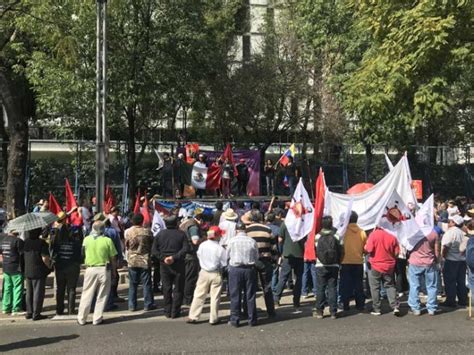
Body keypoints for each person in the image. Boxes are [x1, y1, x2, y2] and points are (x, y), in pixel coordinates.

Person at [77, 221, 117, 326]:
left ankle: (82, 318)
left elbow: (83, 253)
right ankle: (97, 318)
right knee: (102, 295)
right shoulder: (108, 240)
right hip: (104, 269)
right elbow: (113, 258)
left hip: (90, 268)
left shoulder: (86, 239)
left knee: (86, 293)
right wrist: (114, 271)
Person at [187, 226, 227, 325]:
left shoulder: (202, 245)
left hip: (204, 272)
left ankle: (193, 316)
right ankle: (213, 318)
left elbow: (199, 255)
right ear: (217, 236)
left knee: (199, 294)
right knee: (215, 297)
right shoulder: (220, 248)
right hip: (215, 273)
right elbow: (224, 263)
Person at [152, 215, 189, 318]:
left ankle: (167, 311)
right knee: (178, 288)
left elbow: (154, 250)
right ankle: (175, 311)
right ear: (176, 223)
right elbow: (186, 248)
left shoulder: (160, 234)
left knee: (166, 288)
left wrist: (163, 258)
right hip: (178, 264)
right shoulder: (181, 234)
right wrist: (174, 257)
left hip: (164, 265)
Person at [227, 221, 259, 327]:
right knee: (250, 294)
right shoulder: (252, 241)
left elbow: (227, 255)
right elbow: (256, 256)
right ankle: (252, 319)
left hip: (235, 269)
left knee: (235, 295)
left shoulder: (232, 241)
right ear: (245, 229)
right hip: (249, 269)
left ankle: (235, 320)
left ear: (236, 230)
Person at [246, 210, 277, 317]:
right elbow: (273, 247)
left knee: (250, 287)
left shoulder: (246, 230)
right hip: (265, 260)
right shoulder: (267, 229)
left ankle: (250, 312)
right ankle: (271, 311)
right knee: (267, 287)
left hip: (251, 262)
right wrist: (274, 260)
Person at [50, 212, 82, 315]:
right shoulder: (75, 242)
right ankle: (71, 310)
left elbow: (52, 251)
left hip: (60, 266)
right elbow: (79, 253)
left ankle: (59, 310)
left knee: (60, 289)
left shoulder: (55, 239)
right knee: (71, 289)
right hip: (72, 266)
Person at [365, 226, 400, 316]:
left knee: (375, 287)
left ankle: (377, 309)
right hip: (389, 265)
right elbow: (396, 253)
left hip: (375, 265)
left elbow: (369, 249)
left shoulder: (373, 235)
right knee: (390, 285)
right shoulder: (392, 236)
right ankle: (395, 306)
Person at [313, 216, 342, 319]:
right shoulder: (336, 236)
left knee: (320, 288)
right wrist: (339, 262)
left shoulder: (317, 236)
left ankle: (320, 311)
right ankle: (333, 312)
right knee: (332, 287)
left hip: (320, 265)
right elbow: (341, 251)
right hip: (334, 265)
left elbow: (315, 250)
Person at [125, 213, 155, 312]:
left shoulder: (128, 232)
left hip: (132, 260)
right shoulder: (148, 232)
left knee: (133, 284)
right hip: (145, 260)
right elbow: (152, 244)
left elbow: (127, 245)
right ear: (142, 221)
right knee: (146, 283)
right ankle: (148, 304)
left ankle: (132, 305)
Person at [407, 228, 441, 316]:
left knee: (414, 285)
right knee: (432, 286)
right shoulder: (433, 233)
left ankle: (415, 308)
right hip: (429, 262)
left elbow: (407, 246)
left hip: (415, 261)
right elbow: (437, 251)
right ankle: (431, 308)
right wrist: (437, 261)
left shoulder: (413, 232)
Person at [273, 223, 305, 312]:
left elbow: (280, 239)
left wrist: (281, 251)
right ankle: (296, 301)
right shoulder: (302, 223)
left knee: (283, 277)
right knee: (298, 278)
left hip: (287, 254)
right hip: (300, 254)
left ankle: (276, 298)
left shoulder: (285, 224)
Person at [339, 211, 367, 311]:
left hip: (345, 261)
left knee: (345, 285)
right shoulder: (362, 232)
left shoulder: (343, 231)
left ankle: (344, 304)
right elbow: (365, 248)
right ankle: (360, 304)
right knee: (358, 284)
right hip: (358, 262)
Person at [23, 228, 51, 320]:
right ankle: (36, 313)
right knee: (38, 292)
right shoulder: (41, 243)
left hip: (28, 270)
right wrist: (48, 267)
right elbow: (45, 258)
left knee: (29, 292)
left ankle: (29, 312)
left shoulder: (25, 242)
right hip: (38, 270)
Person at [441, 215, 468, 307]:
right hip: (462, 260)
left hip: (451, 260)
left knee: (450, 281)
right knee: (461, 281)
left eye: (450, 221)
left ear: (454, 223)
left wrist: (443, 257)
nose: (448, 223)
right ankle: (463, 300)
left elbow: (445, 247)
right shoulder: (463, 233)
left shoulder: (450, 233)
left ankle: (451, 301)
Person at [179, 211, 203, 305]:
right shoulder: (193, 226)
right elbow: (195, 241)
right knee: (190, 278)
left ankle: (182, 298)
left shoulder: (184, 223)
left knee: (183, 277)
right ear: (200, 219)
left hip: (183, 254)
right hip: (190, 255)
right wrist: (204, 239)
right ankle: (188, 299)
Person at [0, 231, 24, 315]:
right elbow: (22, 255)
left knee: (7, 288)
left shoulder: (3, 240)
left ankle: (5, 307)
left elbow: (1, 255)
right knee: (17, 288)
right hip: (16, 267)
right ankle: (16, 308)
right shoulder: (18, 241)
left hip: (6, 267)